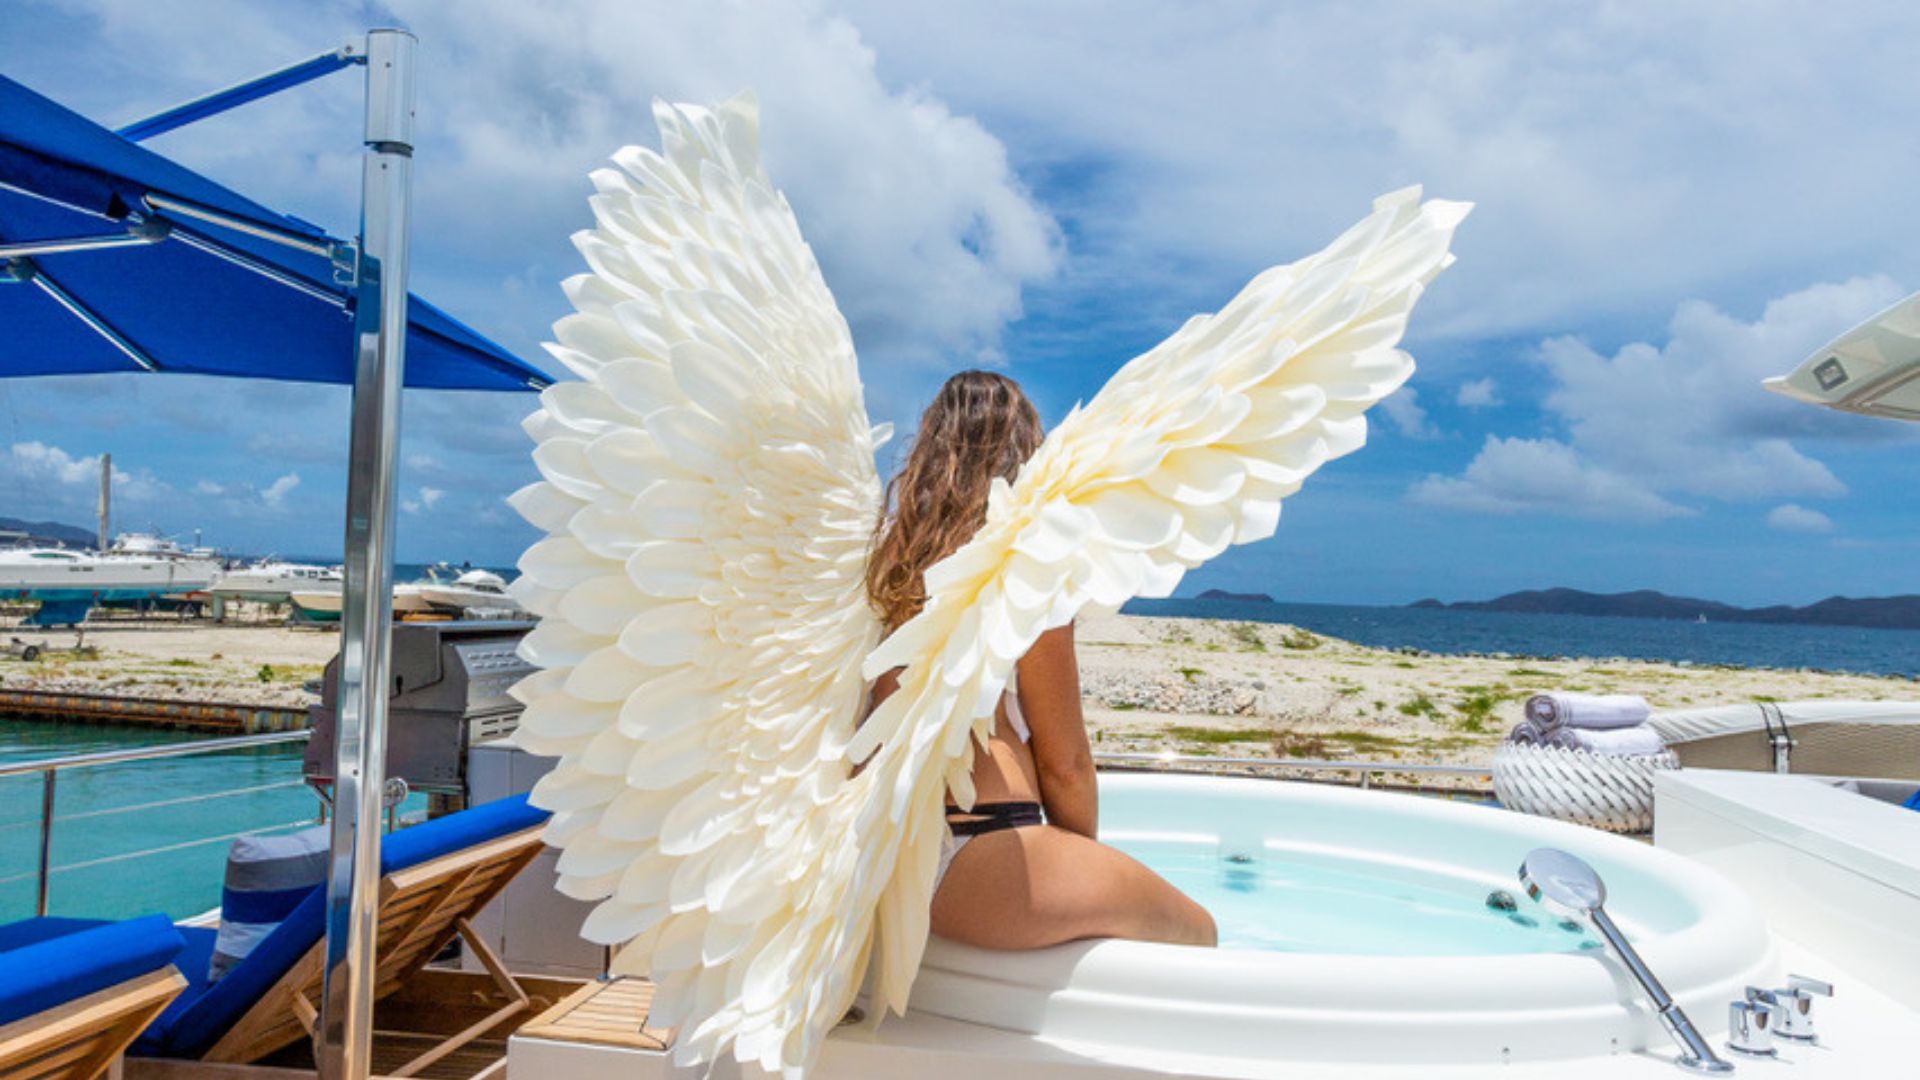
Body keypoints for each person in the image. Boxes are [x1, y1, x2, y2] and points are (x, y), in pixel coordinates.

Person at [864, 370, 1217, 950]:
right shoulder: (1026, 558)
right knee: (1200, 933)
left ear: (930, 446)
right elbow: (1065, 762)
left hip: (888, 855)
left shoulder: (883, 557)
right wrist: (1078, 856)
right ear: (1025, 451)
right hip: (983, 846)